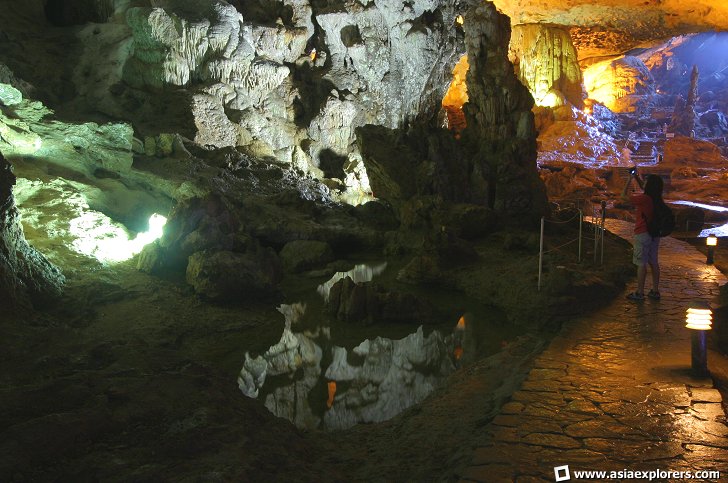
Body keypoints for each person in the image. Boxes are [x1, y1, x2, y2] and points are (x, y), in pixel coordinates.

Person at [621, 170, 663, 301]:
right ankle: (655, 291)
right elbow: (645, 189)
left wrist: (629, 179)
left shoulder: (644, 199)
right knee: (654, 262)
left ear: (649, 185)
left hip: (642, 233)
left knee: (641, 263)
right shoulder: (657, 198)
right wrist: (637, 178)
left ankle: (640, 292)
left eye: (646, 182)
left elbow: (623, 196)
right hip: (654, 234)